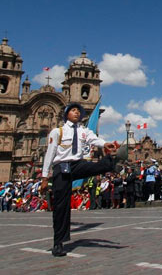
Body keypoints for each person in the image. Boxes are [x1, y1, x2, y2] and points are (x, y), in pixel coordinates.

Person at [39, 102, 127, 257]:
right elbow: (50, 154)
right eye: (73, 110)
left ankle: (112, 163)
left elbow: (94, 139)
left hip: (77, 164)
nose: (77, 113)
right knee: (61, 205)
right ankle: (58, 242)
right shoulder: (57, 132)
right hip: (61, 167)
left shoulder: (83, 131)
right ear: (66, 113)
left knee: (94, 167)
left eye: (78, 111)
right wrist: (45, 177)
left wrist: (105, 143)